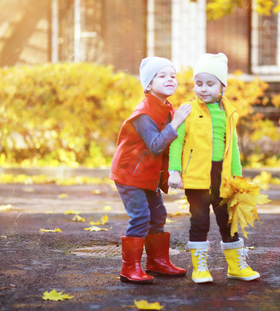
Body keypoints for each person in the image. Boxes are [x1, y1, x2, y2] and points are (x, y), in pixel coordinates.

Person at [168, 53, 260, 283]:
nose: (204, 89)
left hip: (223, 177)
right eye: (199, 83)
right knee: (199, 222)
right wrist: (174, 171)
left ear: (222, 86)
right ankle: (200, 268)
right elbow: (176, 142)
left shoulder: (228, 113)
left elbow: (234, 147)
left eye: (210, 84)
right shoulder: (188, 110)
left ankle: (235, 267)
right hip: (197, 178)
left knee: (228, 221)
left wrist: (237, 178)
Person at [110, 56, 191, 284]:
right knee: (141, 216)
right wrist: (176, 124)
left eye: (173, 76)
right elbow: (156, 145)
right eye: (162, 76)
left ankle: (157, 262)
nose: (170, 79)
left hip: (148, 175)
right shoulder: (144, 113)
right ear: (148, 84)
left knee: (158, 215)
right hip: (130, 174)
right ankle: (129, 268)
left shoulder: (166, 108)